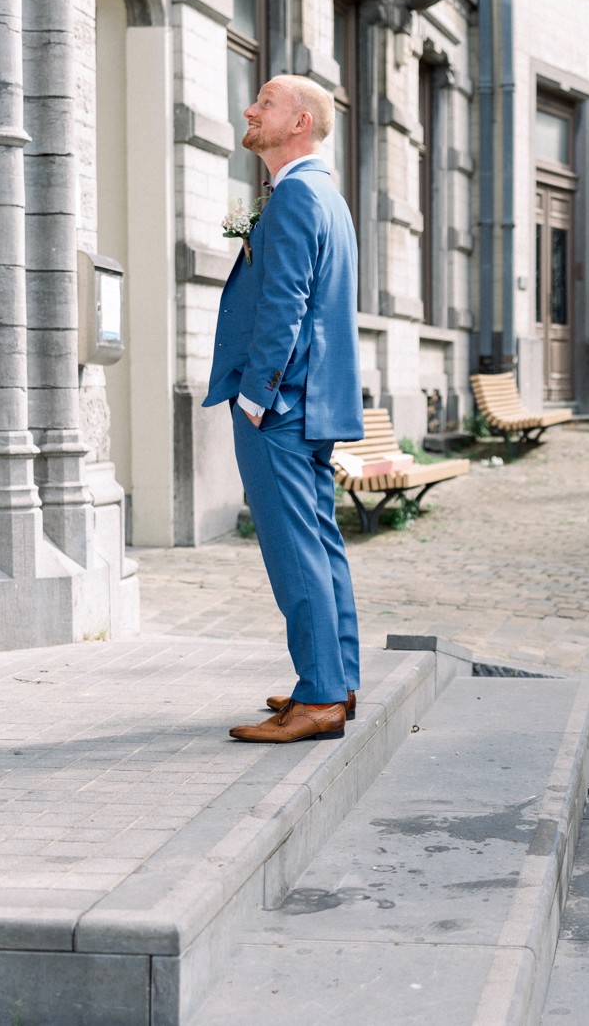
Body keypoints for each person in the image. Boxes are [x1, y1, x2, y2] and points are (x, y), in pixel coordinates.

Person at [204, 75, 364, 744]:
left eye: (265, 103)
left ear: (300, 122)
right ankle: (335, 681)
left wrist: (255, 395)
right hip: (311, 402)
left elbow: (285, 302)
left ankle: (321, 697)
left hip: (280, 406)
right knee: (320, 544)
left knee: (295, 552)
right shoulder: (317, 193)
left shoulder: (298, 195)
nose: (249, 109)